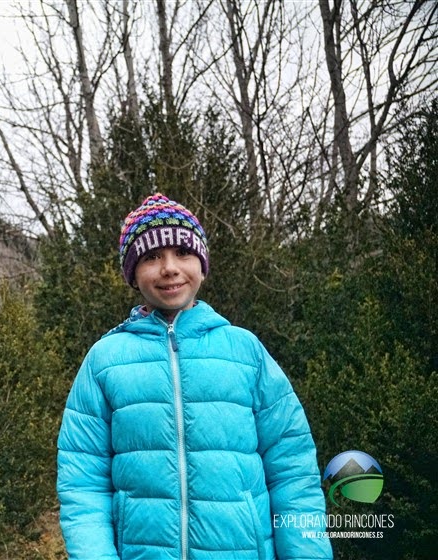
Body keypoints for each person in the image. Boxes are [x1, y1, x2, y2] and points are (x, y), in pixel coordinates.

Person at [57, 193, 332, 559]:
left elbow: (292, 470)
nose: (169, 268)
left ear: (202, 265)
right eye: (152, 256)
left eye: (182, 253)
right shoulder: (104, 360)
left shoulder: (246, 352)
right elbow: (83, 483)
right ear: (133, 273)